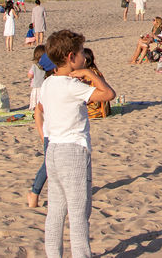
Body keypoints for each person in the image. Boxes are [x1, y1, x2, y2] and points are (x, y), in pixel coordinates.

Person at [35, 29, 114, 257]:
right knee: (79, 213)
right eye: (81, 54)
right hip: (73, 152)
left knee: (56, 212)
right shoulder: (72, 86)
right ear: (71, 57)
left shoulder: (48, 84)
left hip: (53, 150)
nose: (84, 58)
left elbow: (41, 109)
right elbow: (108, 94)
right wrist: (90, 74)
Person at [27, 49, 55, 209]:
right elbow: (38, 111)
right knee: (48, 164)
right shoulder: (47, 85)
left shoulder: (56, 83)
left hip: (59, 132)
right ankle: (34, 192)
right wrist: (41, 133)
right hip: (51, 133)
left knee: (52, 164)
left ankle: (35, 193)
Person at [81, 49, 111, 119]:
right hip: (104, 108)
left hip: (97, 108)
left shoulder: (90, 74)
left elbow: (93, 99)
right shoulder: (94, 71)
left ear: (84, 60)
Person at [28, 45, 47, 111]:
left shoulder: (34, 65)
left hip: (36, 86)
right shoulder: (47, 66)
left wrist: (31, 77)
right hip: (44, 86)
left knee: (36, 100)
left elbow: (30, 75)